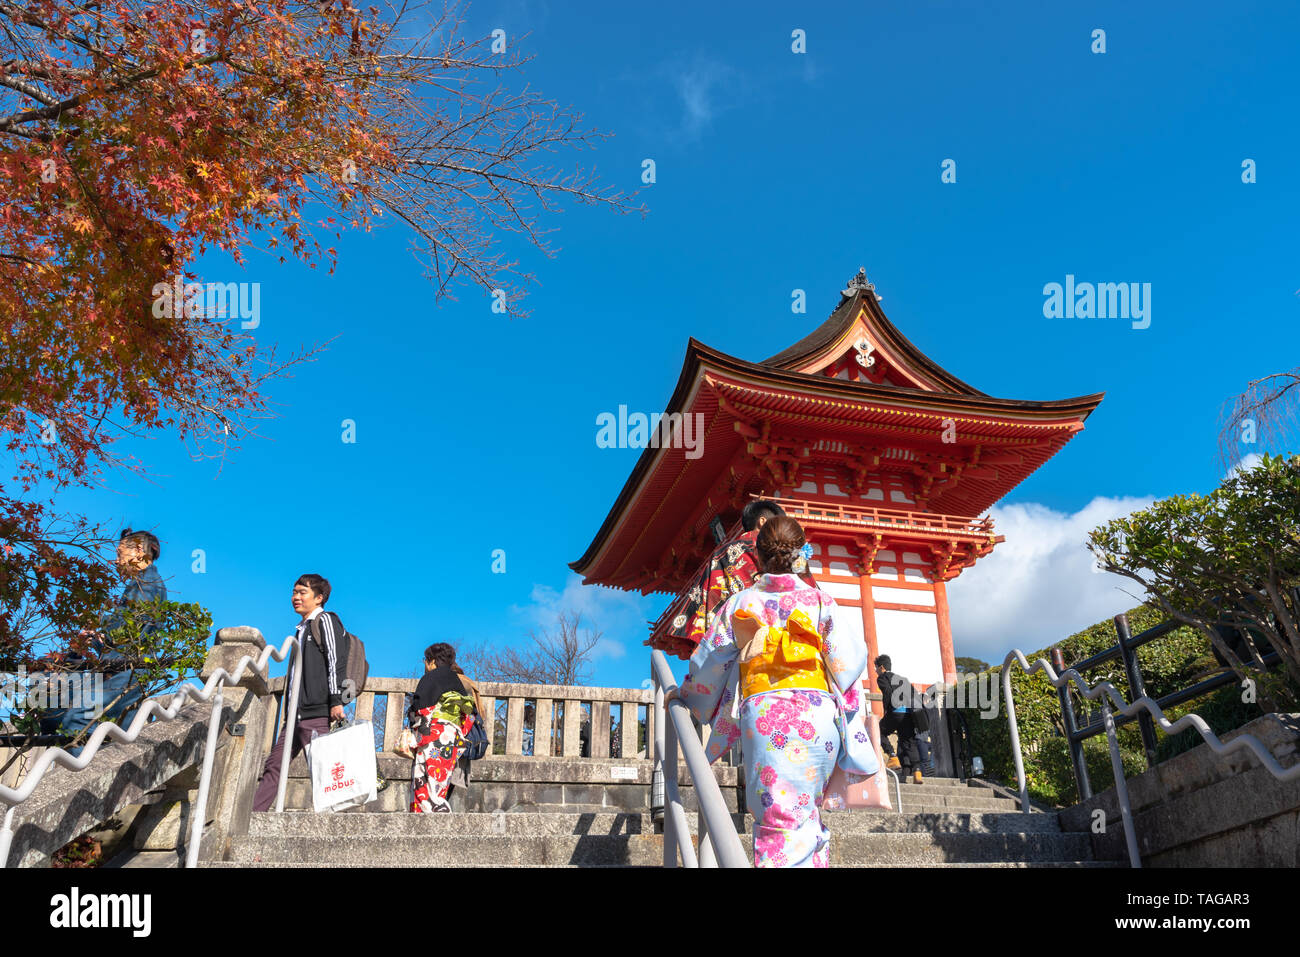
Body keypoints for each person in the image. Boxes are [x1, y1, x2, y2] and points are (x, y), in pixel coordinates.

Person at [673, 516, 869, 867]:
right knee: (806, 814)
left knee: (777, 818)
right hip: (817, 715)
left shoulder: (740, 604)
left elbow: (709, 662)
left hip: (765, 718)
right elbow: (849, 663)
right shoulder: (821, 602)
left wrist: (689, 695)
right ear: (800, 554)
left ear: (757, 558)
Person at [39, 528, 166, 755]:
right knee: (56, 712)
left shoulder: (147, 585)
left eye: (120, 553)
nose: (116, 560)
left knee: (77, 719)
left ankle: (77, 783)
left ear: (138, 550)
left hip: (127, 672)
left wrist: (97, 628)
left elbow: (126, 632)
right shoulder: (143, 584)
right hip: (120, 670)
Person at [660, 500, 818, 660]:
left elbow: (710, 601)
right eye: (778, 523)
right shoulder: (792, 556)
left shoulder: (724, 554)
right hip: (798, 651)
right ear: (762, 521)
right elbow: (814, 600)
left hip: (744, 650)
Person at [251, 573, 348, 812]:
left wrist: (336, 701)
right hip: (295, 715)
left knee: (322, 769)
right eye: (294, 592)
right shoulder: (300, 630)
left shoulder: (325, 620)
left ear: (319, 597)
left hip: (317, 710)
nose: (295, 597)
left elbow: (335, 661)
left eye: (302, 592)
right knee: (274, 765)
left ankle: (331, 824)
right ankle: (251, 818)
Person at [407, 643, 477, 813]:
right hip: (451, 736)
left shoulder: (429, 678)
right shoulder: (456, 680)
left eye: (425, 660)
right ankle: (438, 809)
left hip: (431, 734)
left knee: (423, 779)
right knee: (439, 781)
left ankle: (428, 816)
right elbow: (469, 715)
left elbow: (420, 709)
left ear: (432, 661)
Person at [874, 655, 931, 784]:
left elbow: (887, 692)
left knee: (878, 731)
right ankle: (917, 772)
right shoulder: (903, 679)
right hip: (909, 714)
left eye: (876, 668)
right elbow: (914, 695)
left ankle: (892, 756)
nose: (876, 671)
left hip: (895, 712)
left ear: (882, 667)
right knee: (908, 741)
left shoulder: (883, 677)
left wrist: (887, 710)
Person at [446, 661, 482, 811]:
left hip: (451, 738)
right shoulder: (469, 683)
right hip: (465, 740)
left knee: (441, 783)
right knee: (449, 784)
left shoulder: (452, 682)